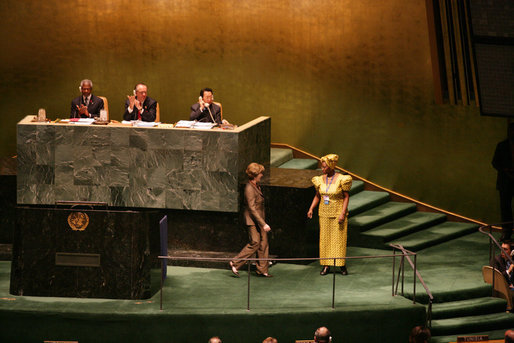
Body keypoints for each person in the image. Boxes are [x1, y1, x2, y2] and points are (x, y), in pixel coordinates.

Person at [307, 154, 352, 275]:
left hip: (338, 213)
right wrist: (311, 208)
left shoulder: (342, 179)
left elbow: (346, 197)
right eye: (322, 167)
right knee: (325, 240)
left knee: (338, 240)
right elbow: (318, 195)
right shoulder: (319, 179)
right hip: (324, 213)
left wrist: (343, 212)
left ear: (331, 166)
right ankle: (326, 265)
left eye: (325, 167)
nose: (323, 169)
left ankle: (340, 265)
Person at [230, 162, 272, 278]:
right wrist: (263, 224)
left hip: (259, 219)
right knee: (255, 242)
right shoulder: (249, 188)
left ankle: (262, 270)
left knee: (263, 243)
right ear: (255, 175)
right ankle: (235, 262)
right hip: (252, 220)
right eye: (260, 173)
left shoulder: (256, 185)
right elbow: (252, 209)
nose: (262, 175)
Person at [492, 123, 514, 242]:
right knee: (505, 209)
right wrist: (505, 170)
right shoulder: (502, 146)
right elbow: (495, 162)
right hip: (505, 182)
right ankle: (507, 232)